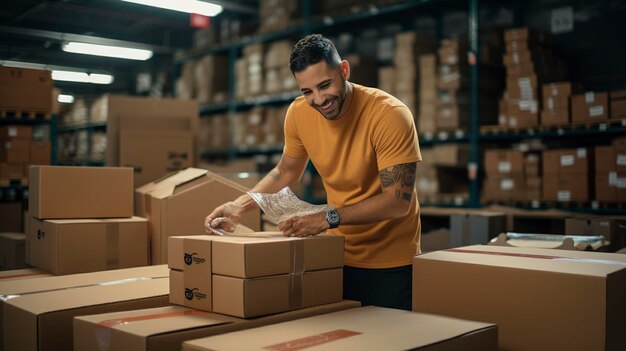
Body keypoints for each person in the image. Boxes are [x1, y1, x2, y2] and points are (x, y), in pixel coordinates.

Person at [204, 33, 421, 311]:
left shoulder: (388, 114)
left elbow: (396, 202)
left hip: (391, 263)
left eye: (324, 85)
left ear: (344, 70)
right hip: (334, 255)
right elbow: (286, 171)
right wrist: (239, 205)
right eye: (307, 91)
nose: (319, 99)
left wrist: (326, 219)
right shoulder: (298, 113)